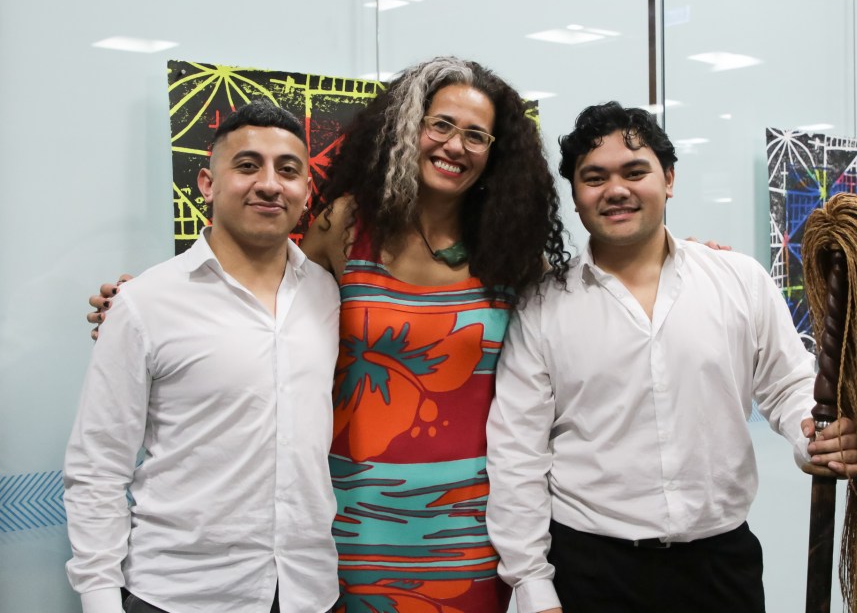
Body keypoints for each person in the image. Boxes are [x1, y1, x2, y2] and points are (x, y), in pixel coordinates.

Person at [86, 56, 570, 613]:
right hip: (349, 525)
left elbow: (561, 351)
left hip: (469, 527)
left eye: (476, 135)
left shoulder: (513, 249)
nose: (455, 145)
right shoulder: (346, 225)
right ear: (406, 127)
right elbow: (266, 293)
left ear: (496, 152)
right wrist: (146, 302)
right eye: (440, 125)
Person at [484, 102, 857, 613]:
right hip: (589, 571)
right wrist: (532, 585)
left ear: (669, 179)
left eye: (634, 172)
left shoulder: (739, 280)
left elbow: (788, 385)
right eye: (594, 177)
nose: (616, 189)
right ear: (575, 195)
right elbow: (518, 455)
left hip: (720, 568)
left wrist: (812, 436)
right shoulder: (542, 305)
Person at [65, 101, 341, 613]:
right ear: (208, 184)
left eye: (287, 170)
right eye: (247, 165)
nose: (269, 184)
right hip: (180, 594)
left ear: (305, 190)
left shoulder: (329, 296)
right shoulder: (145, 303)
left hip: (307, 592)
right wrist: (100, 600)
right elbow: (97, 467)